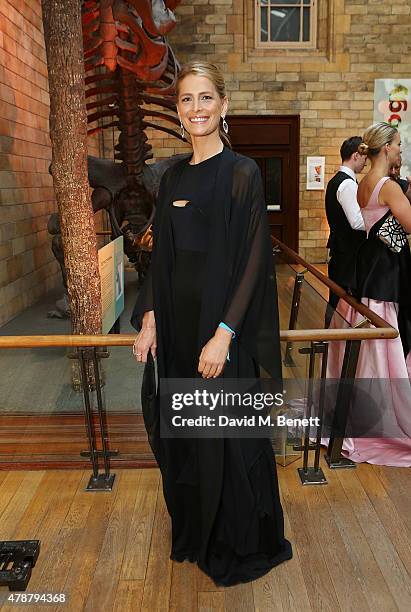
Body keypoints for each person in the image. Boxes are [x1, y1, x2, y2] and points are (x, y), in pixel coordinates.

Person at [131, 61, 292, 586]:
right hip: (178, 333)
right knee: (190, 440)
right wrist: (151, 316)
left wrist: (224, 334)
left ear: (224, 105)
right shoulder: (171, 175)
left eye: (205, 98)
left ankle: (237, 542)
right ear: (177, 112)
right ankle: (197, 533)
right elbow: (160, 259)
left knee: (230, 440)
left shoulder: (243, 173)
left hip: (224, 334)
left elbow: (253, 262)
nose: (195, 108)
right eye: (186, 100)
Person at [327, 122, 411, 466]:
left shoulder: (362, 183)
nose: (400, 150)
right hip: (386, 272)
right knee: (385, 344)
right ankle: (387, 415)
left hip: (369, 268)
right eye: (399, 145)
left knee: (372, 348)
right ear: (388, 148)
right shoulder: (388, 186)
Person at [325, 136, 367, 325]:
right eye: (365, 158)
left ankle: (328, 343)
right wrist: (377, 218)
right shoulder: (348, 184)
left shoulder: (337, 180)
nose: (366, 163)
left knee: (337, 302)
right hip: (347, 256)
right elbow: (357, 222)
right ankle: (331, 344)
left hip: (342, 252)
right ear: (356, 155)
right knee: (340, 303)